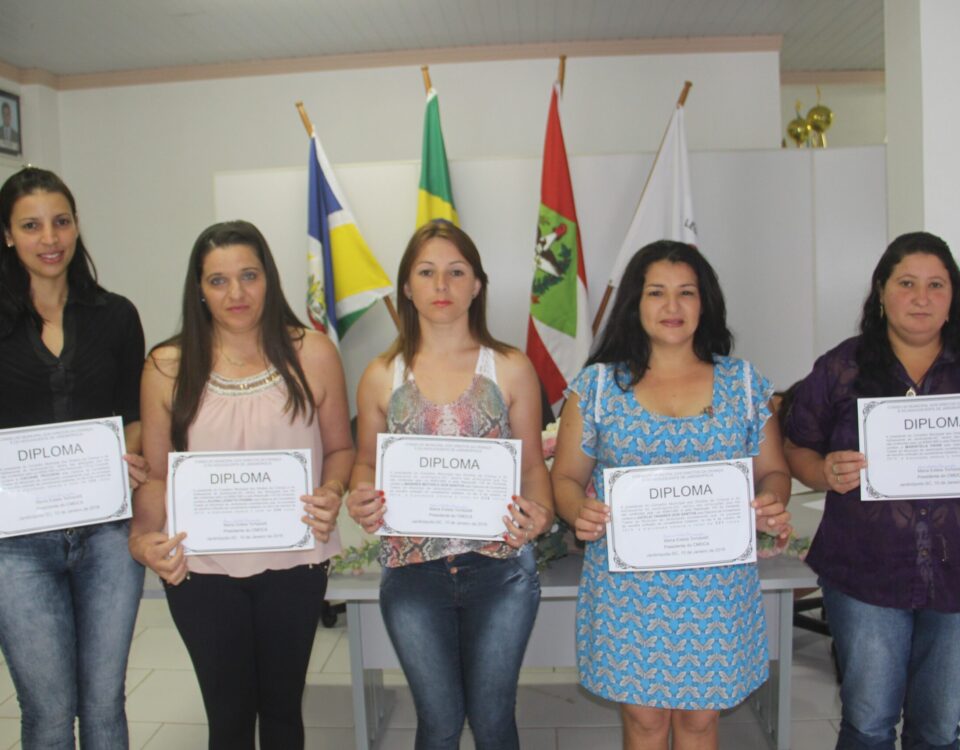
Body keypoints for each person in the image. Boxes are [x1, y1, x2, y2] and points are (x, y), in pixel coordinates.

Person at [551, 240, 791, 750]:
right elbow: (566, 478)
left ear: (705, 302)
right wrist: (578, 511)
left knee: (701, 721)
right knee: (644, 721)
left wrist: (771, 499)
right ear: (635, 303)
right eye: (656, 292)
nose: (672, 306)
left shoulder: (743, 383)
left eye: (687, 292)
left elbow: (774, 471)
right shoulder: (597, 388)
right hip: (628, 586)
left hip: (715, 585)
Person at [128, 220, 354, 750]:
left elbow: (341, 450)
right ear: (199, 290)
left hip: (295, 562)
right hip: (200, 569)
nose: (236, 293)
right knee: (227, 718)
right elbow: (157, 474)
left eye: (249, 275)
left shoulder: (314, 352)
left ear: (269, 278)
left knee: (283, 713)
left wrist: (332, 491)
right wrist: (141, 540)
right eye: (218, 280)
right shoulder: (166, 366)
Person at [346, 220, 554, 750]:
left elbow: (533, 466)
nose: (441, 285)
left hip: (500, 570)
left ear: (477, 285)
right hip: (413, 575)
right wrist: (361, 495)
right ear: (406, 286)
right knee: (438, 723)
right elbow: (365, 464)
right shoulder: (381, 375)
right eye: (426, 272)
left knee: (493, 720)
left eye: (456, 272)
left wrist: (542, 511)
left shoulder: (510, 368)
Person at [784, 231, 960, 750]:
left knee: (942, 727)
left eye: (936, 285)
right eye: (906, 283)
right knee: (869, 723)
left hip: (957, 572)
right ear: (881, 291)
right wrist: (824, 472)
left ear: (953, 296)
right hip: (865, 572)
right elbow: (796, 445)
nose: (921, 298)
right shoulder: (843, 367)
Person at [0, 167, 147, 749]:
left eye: (60, 221)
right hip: (15, 545)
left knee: (105, 705)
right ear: (7, 234)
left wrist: (127, 458)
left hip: (107, 536)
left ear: (77, 225)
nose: (50, 238)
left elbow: (134, 413)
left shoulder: (116, 315)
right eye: (30, 225)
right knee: (48, 712)